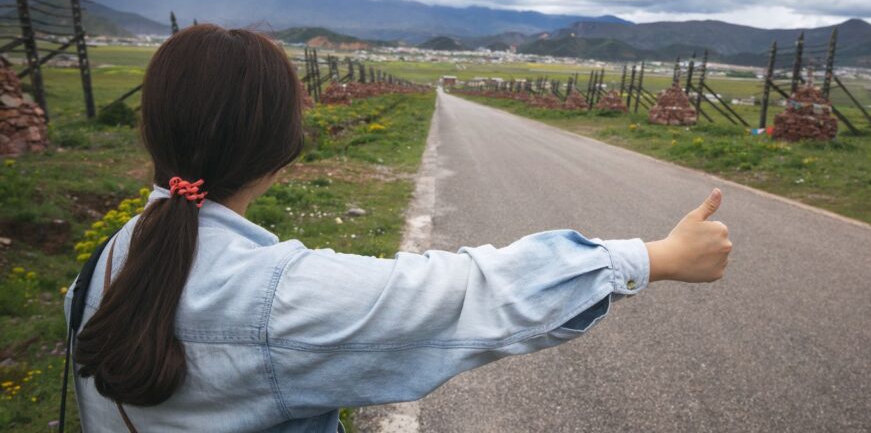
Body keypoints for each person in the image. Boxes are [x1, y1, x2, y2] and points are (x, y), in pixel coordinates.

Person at [65, 25, 732, 432]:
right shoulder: (277, 300)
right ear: (280, 152)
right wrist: (657, 256)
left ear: (151, 130)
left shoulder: (100, 270)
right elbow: (471, 292)